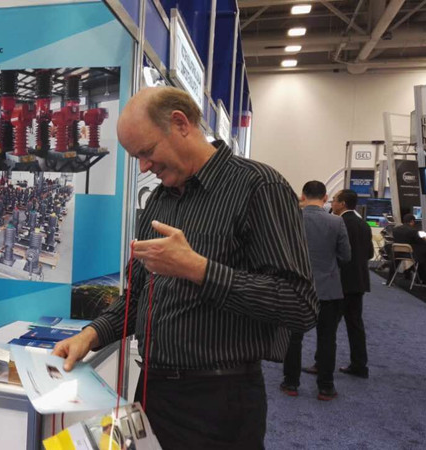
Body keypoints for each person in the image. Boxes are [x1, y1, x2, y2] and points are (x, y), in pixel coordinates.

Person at [52, 87, 318, 449]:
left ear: (180, 123)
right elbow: (139, 295)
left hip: (219, 403)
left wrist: (200, 270)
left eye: (147, 151)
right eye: (136, 157)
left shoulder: (259, 187)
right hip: (152, 391)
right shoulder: (160, 199)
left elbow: (299, 305)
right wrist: (91, 335)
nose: (144, 167)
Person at [281, 181, 350, 400]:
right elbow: (346, 256)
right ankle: (326, 387)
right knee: (327, 339)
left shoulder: (290, 220)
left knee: (293, 338)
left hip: (296, 288)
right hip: (328, 289)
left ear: (303, 196)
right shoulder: (336, 222)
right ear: (325, 197)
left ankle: (290, 383)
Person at [332, 189, 373, 378]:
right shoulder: (363, 224)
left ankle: (321, 363)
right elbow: (370, 254)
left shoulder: (338, 223)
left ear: (342, 204)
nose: (332, 203)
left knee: (329, 326)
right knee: (356, 325)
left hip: (340, 282)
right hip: (359, 282)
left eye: (334, 200)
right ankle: (359, 365)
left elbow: (335, 253)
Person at [392, 213, 426, 282]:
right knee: (424, 253)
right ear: (412, 221)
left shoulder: (395, 230)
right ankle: (421, 277)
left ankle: (410, 271)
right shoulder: (413, 231)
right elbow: (421, 242)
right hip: (410, 254)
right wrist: (425, 239)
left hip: (397, 253)